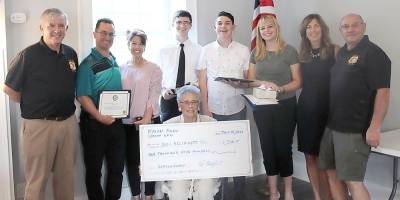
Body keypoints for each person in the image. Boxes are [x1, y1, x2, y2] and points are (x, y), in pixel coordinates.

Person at [3, 8, 79, 200]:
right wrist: (32, 101)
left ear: (66, 28)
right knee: (37, 181)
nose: (57, 30)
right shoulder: (27, 55)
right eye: (51, 25)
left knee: (66, 178)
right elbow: (8, 88)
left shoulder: (71, 53)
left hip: (68, 124)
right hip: (38, 126)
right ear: (41, 27)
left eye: (61, 25)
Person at [318, 13, 391, 200]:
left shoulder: (374, 54)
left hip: (354, 130)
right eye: (345, 26)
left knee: (353, 181)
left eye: (355, 25)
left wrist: (375, 127)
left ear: (363, 26)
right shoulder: (343, 52)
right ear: (340, 30)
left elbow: (383, 92)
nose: (350, 29)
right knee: (331, 173)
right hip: (333, 126)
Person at [247, 14, 301, 200]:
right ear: (259, 32)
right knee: (267, 147)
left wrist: (281, 88)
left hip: (284, 105)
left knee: (283, 149)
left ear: (276, 28)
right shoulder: (255, 53)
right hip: (261, 107)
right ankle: (273, 191)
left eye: (270, 27)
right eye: (262, 28)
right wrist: (265, 82)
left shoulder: (290, 51)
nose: (266, 31)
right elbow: (251, 81)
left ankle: (288, 190)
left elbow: (298, 82)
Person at [197, 11, 249, 200]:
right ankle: (217, 195)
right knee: (216, 154)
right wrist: (205, 107)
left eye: (227, 23)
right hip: (214, 109)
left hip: (237, 107)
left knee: (237, 153)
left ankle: (240, 194)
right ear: (215, 27)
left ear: (233, 27)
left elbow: (248, 81)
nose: (223, 26)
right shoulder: (206, 50)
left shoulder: (243, 50)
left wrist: (239, 84)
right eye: (219, 23)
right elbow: (202, 81)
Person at [76, 18, 126, 200]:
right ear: (94, 34)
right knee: (94, 170)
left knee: (117, 169)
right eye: (103, 33)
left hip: (115, 123)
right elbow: (82, 96)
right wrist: (98, 116)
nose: (107, 37)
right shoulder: (87, 64)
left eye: (111, 33)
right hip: (94, 124)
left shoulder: (114, 59)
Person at [297, 14, 338, 200]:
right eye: (308, 27)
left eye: (316, 26)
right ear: (304, 32)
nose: (313, 30)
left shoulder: (334, 50)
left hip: (329, 111)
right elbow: (297, 82)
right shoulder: (301, 55)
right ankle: (317, 196)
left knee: (328, 159)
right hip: (306, 110)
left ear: (323, 29)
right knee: (310, 156)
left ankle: (333, 196)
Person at [120, 29, 162, 200]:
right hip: (128, 123)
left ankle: (150, 195)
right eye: (134, 43)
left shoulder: (153, 68)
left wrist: (147, 117)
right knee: (131, 162)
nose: (137, 47)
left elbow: (154, 94)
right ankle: (136, 196)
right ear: (128, 44)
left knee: (149, 161)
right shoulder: (121, 68)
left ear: (145, 46)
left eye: (140, 44)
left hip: (149, 120)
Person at [162, 85, 220, 200]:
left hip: (205, 170)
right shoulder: (168, 126)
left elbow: (221, 151)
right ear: (179, 105)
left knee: (206, 190)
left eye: (194, 102)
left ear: (198, 104)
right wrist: (147, 167)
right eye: (186, 102)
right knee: (177, 190)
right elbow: (160, 154)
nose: (190, 105)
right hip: (179, 172)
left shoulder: (212, 123)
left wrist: (239, 161)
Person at [158, 10, 202, 122]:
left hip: (191, 98)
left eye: (186, 22)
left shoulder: (199, 50)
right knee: (168, 134)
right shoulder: (163, 50)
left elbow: (202, 76)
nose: (182, 25)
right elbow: (157, 76)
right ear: (173, 24)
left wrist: (196, 86)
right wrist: (163, 90)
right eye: (179, 22)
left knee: (191, 133)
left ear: (190, 25)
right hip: (169, 99)